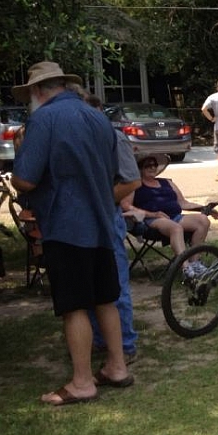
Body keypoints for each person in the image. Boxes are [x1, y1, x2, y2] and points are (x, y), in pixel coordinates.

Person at [11, 62, 133, 405]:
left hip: (65, 224)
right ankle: (116, 367)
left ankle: (82, 382)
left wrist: (18, 175)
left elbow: (27, 178)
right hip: (101, 220)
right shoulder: (98, 118)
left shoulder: (44, 119)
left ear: (37, 91)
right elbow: (113, 172)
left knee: (74, 305)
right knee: (105, 297)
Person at [85, 94, 141, 363]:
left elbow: (131, 182)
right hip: (85, 220)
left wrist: (99, 201)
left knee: (115, 284)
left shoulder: (114, 138)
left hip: (108, 216)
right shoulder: (84, 138)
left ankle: (126, 344)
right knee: (91, 285)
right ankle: (99, 339)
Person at [121, 154, 218, 278]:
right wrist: (152, 214)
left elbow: (182, 203)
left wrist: (204, 208)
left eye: (154, 165)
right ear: (140, 169)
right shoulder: (136, 185)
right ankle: (185, 268)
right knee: (175, 228)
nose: (152, 167)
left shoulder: (167, 182)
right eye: (148, 165)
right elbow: (125, 205)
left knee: (203, 220)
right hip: (152, 220)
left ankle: (195, 262)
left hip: (175, 216)